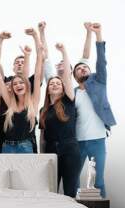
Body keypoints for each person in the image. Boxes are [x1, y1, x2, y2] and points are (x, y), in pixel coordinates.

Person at [73, 23, 115, 198]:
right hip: (77, 141)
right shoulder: (72, 93)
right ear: (74, 76)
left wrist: (97, 35)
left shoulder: (99, 83)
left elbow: (100, 60)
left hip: (97, 139)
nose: (82, 68)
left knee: (98, 181)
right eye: (78, 69)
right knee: (73, 178)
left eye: (85, 67)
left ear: (91, 73)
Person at [39, 43, 80, 198]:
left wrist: (63, 51)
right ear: (48, 88)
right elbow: (42, 137)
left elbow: (68, 76)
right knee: (50, 192)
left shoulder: (69, 101)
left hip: (69, 149)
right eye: (51, 83)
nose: (55, 85)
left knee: (70, 191)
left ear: (63, 88)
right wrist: (42, 155)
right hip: (50, 152)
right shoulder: (43, 110)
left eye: (58, 83)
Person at [0, 39, 44, 153]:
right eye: (15, 84)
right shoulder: (10, 103)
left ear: (26, 85)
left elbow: (38, 76)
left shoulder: (32, 102)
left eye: (21, 83)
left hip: (26, 147)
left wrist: (38, 54)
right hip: (7, 147)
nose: (18, 85)